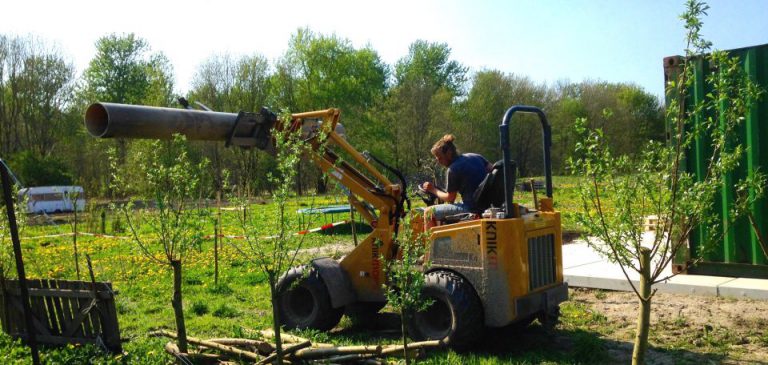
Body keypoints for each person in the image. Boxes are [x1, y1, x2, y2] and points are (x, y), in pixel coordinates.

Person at [421, 134, 491, 228]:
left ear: (449, 153)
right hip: (487, 205)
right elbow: (493, 169)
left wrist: (432, 189)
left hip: (471, 208)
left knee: (428, 212)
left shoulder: (453, 169)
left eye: (439, 157)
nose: (438, 161)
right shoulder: (475, 156)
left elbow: (450, 198)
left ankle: (430, 242)